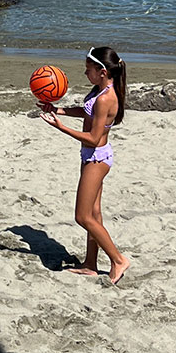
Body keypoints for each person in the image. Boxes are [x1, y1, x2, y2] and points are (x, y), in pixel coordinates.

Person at [37, 46, 131, 285]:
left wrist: (60, 126)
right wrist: (58, 109)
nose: (84, 73)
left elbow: (93, 138)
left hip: (96, 158)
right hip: (91, 156)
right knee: (95, 214)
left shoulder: (107, 98)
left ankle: (118, 260)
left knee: (82, 216)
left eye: (88, 70)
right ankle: (90, 264)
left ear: (101, 71)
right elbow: (86, 112)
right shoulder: (99, 91)